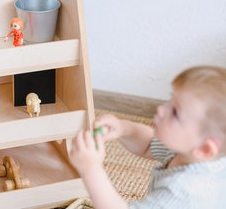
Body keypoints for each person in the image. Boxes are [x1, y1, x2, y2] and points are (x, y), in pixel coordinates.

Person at [70, 66, 226, 208]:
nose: (161, 109)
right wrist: (125, 129)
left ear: (205, 148)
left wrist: (91, 169)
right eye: (170, 100)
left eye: (175, 112)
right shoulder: (194, 152)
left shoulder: (181, 191)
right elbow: (148, 145)